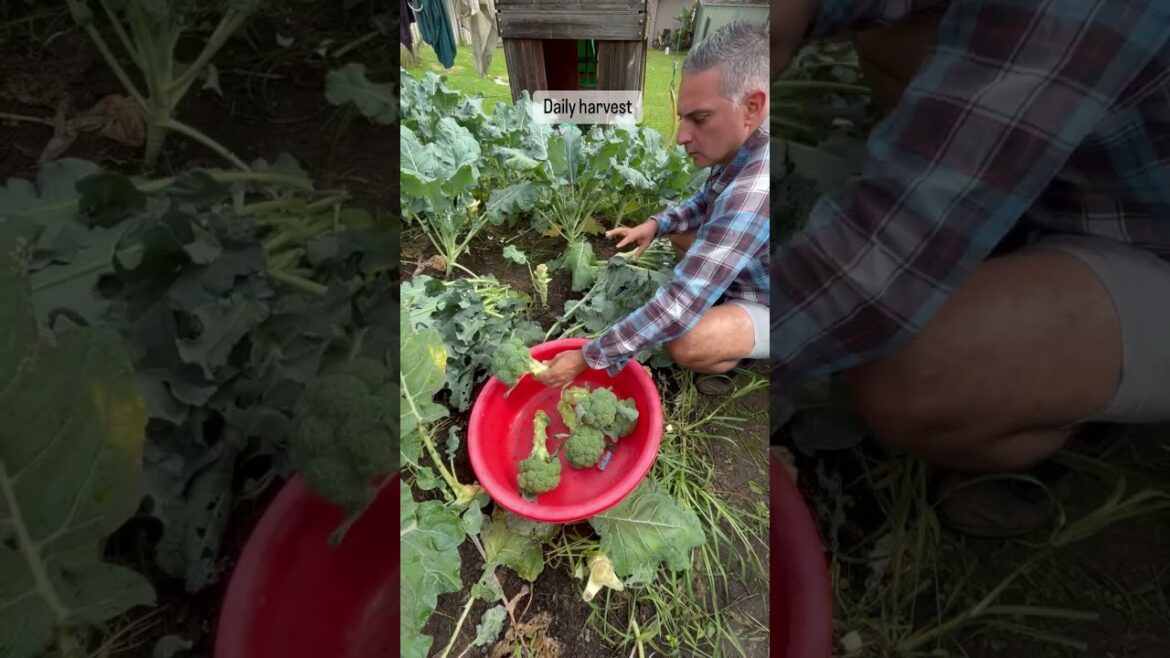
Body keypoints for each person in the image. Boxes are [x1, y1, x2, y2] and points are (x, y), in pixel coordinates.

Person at [771, 0, 1170, 536]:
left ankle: (1070, 410)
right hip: (1110, 169)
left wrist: (712, 335)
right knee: (891, 39)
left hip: (1152, 245)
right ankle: (990, 237)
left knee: (914, 371)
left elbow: (886, 259)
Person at [534, 22, 770, 394]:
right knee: (680, 235)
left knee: (686, 341)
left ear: (752, 107)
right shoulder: (743, 143)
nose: (682, 137)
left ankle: (741, 352)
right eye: (682, 118)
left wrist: (586, 356)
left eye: (699, 119)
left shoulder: (758, 187)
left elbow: (677, 307)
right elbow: (704, 202)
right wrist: (656, 224)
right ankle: (722, 302)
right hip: (755, 269)